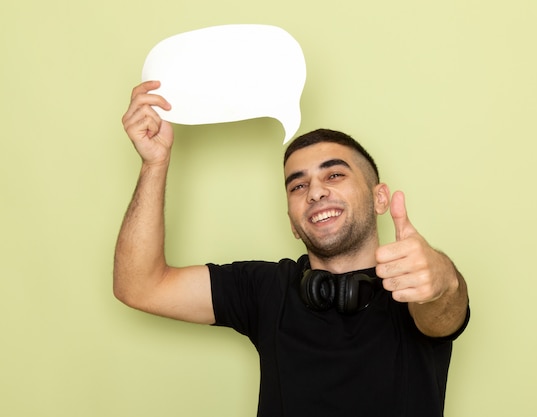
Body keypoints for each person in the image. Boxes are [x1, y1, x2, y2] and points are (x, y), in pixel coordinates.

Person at [114, 80, 470, 417]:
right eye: (298, 186)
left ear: (379, 198)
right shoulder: (266, 288)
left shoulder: (413, 283)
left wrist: (442, 280)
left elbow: (443, 309)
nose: (315, 192)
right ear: (292, 222)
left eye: (334, 175)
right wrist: (154, 163)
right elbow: (139, 285)